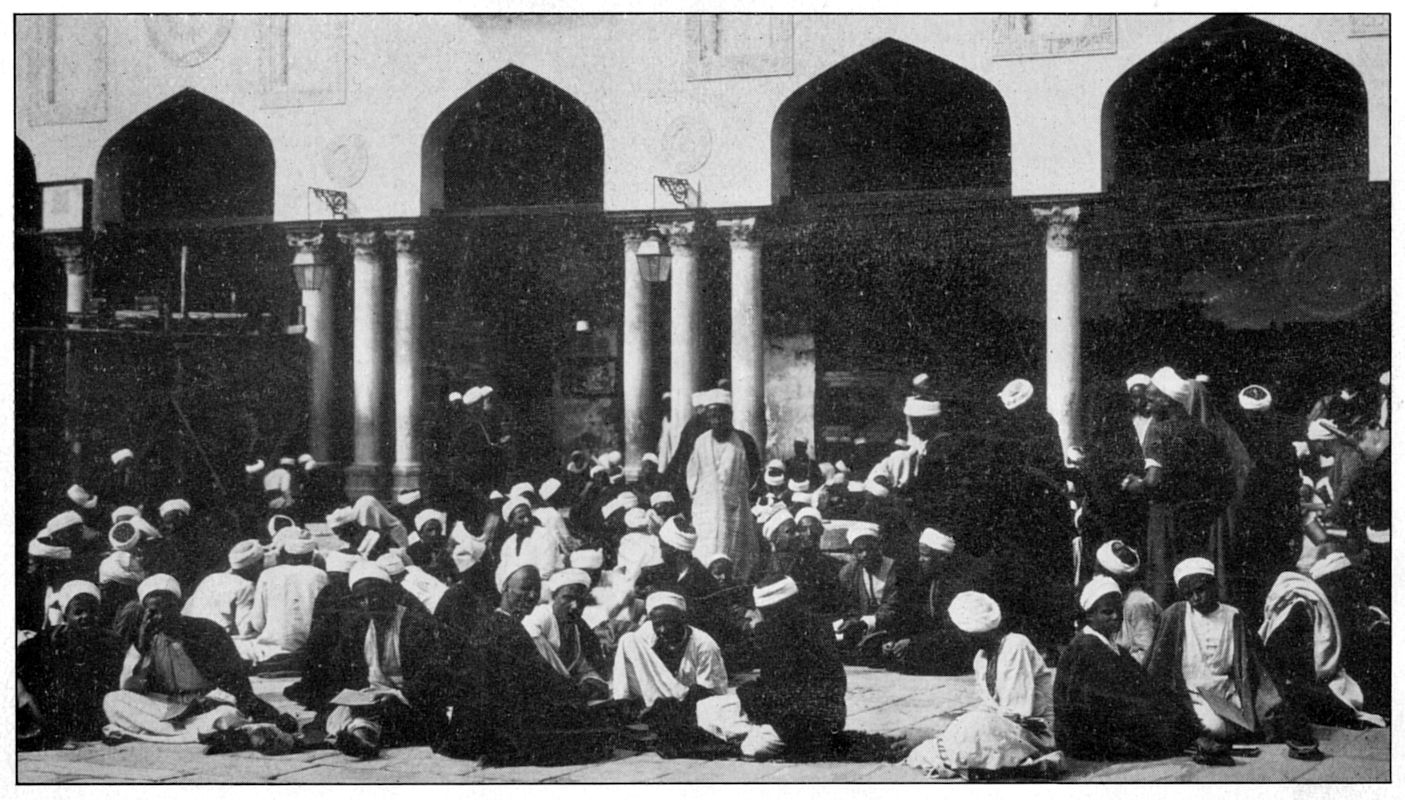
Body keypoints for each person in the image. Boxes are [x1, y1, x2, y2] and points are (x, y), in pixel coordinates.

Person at [1144, 557, 1320, 764]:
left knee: (1265, 720)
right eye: (1188, 594)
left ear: (1214, 585)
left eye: (1200, 590)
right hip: (1192, 693)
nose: (1195, 599)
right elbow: (1158, 664)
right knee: (1215, 728)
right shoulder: (1176, 614)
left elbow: (1256, 665)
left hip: (1227, 691)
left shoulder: (1234, 615)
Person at [102, 574, 298, 745]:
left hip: (210, 705)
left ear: (179, 606)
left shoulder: (207, 631)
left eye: (167, 608)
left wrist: (209, 701)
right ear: (146, 613)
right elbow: (129, 688)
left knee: (225, 716)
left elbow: (237, 686)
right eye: (154, 611)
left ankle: (170, 732)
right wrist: (143, 648)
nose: (161, 616)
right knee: (113, 701)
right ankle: (197, 733)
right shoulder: (147, 639)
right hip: (171, 707)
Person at [904, 591, 1063, 780]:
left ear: (970, 633)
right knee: (950, 737)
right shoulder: (981, 659)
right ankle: (1001, 767)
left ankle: (1018, 763)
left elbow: (1018, 712)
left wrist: (970, 724)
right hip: (1004, 728)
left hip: (1035, 734)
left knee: (973, 729)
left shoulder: (1016, 645)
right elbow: (990, 706)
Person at [312, 561, 461, 759]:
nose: (369, 603)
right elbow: (341, 669)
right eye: (361, 599)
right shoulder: (358, 627)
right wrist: (356, 695)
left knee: (382, 713)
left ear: (389, 592)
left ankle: (362, 736)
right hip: (373, 698)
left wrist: (398, 695)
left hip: (410, 701)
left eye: (374, 595)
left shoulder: (414, 623)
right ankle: (360, 734)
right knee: (338, 712)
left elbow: (433, 674)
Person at [695, 575, 848, 760]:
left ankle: (752, 734)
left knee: (752, 747)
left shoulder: (776, 636)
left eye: (758, 610)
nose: (750, 615)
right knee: (706, 707)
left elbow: (781, 697)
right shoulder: (813, 625)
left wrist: (749, 694)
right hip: (815, 715)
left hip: (806, 721)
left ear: (772, 611)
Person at [1053, 576, 1200, 761]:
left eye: (1118, 610)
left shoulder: (1114, 648)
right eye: (1107, 612)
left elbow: (1146, 685)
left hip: (1109, 724)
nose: (1115, 617)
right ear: (1090, 616)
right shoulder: (1085, 649)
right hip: (1087, 738)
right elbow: (1109, 704)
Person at [1121, 367, 1234, 606]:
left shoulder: (1159, 431)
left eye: (1151, 400)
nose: (1147, 406)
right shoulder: (1204, 432)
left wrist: (1135, 485)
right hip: (1197, 520)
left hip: (1165, 518)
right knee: (1191, 575)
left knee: (1163, 582)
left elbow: (1153, 480)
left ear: (1166, 400)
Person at [1258, 555, 1386, 728]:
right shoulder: (1302, 606)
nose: (1350, 596)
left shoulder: (1326, 604)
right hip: (1292, 687)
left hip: (1312, 682)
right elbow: (1286, 668)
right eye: (1346, 586)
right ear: (1332, 584)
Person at [612, 589, 729, 756]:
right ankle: (626, 709)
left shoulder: (704, 645)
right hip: (657, 699)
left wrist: (674, 709)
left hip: (689, 702)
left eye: (669, 623)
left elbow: (712, 693)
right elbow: (634, 666)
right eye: (657, 624)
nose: (663, 630)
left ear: (683, 619)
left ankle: (654, 715)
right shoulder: (647, 632)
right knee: (627, 640)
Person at [17, 581, 125, 748]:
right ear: (65, 615)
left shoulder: (111, 642)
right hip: (52, 711)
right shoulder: (48, 639)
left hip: (91, 715)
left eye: (92, 611)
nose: (86, 616)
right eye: (78, 612)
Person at [881, 528, 986, 675]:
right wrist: (895, 640)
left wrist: (915, 643)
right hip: (929, 641)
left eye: (926, 556)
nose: (920, 560)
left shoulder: (959, 584)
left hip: (954, 645)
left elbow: (956, 632)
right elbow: (913, 619)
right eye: (920, 555)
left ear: (942, 558)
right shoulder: (925, 579)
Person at [686, 389, 763, 580]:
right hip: (706, 512)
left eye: (721, 416)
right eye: (712, 417)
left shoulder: (744, 441)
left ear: (730, 415)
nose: (717, 421)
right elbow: (692, 474)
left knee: (736, 557)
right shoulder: (700, 442)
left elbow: (754, 472)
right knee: (705, 553)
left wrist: (736, 493)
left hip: (736, 511)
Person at [236, 528, 328, 668]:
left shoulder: (268, 575)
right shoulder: (320, 575)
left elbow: (258, 623)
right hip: (308, 650)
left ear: (283, 553)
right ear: (311, 556)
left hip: (271, 651)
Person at [835, 522, 916, 662]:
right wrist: (851, 621)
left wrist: (865, 623)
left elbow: (893, 608)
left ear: (879, 547)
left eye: (870, 549)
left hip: (892, 630)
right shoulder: (849, 572)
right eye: (860, 551)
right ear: (854, 552)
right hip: (862, 632)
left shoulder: (896, 571)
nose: (865, 555)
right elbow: (848, 605)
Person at [522, 568, 610, 696]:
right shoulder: (541, 618)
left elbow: (583, 668)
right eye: (567, 598)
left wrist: (590, 681)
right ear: (554, 597)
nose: (575, 606)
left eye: (581, 600)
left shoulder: (575, 626)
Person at [1093, 539, 1160, 665]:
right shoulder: (1117, 600)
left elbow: (1145, 652)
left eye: (1100, 573)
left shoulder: (1137, 602)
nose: (1096, 578)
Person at [182, 539, 264, 636]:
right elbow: (245, 629)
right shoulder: (245, 586)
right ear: (253, 566)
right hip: (215, 638)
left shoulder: (211, 578)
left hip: (188, 633)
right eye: (261, 563)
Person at [497, 494, 566, 580]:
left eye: (529, 515)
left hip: (547, 582)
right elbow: (503, 571)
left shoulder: (544, 535)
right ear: (510, 523)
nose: (527, 520)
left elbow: (546, 571)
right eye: (521, 518)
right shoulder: (508, 544)